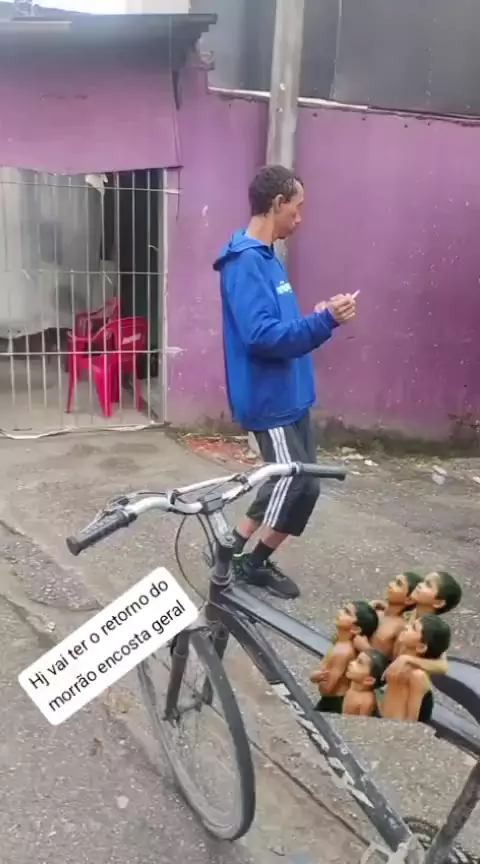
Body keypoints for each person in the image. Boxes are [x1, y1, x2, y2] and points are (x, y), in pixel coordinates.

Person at [214, 165, 357, 599]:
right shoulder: (244, 263)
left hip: (292, 393)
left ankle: (250, 560)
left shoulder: (266, 257)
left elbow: (278, 325)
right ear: (277, 203)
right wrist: (325, 321)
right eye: (297, 208)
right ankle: (232, 557)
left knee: (302, 484)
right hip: (269, 398)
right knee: (293, 482)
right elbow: (261, 336)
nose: (300, 218)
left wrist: (316, 315)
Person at [379, 614, 451, 723]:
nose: (406, 626)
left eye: (413, 628)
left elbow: (411, 722)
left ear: (421, 647)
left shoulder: (417, 676)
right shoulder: (404, 647)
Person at [310, 601, 379, 714]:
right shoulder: (342, 642)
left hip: (334, 702)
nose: (340, 612)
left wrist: (315, 677)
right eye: (343, 609)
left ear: (355, 629)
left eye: (347, 612)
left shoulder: (342, 652)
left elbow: (327, 689)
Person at [343, 649, 390, 717]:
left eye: (359, 663)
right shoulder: (351, 690)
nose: (351, 662)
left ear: (369, 680)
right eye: (356, 659)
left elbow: (363, 722)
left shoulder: (367, 701)